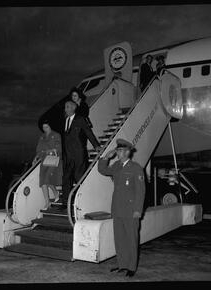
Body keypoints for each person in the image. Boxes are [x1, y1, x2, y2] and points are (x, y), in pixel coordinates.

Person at [98, 139, 146, 277]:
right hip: (117, 208)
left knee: (131, 239)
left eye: (119, 150)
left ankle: (131, 267)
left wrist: (138, 210)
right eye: (117, 150)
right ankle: (122, 264)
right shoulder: (117, 166)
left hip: (131, 210)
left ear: (127, 152)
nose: (117, 153)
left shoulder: (136, 168)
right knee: (119, 239)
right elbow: (103, 170)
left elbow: (141, 191)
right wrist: (105, 157)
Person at [61, 100, 101, 209]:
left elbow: (88, 132)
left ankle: (82, 202)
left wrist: (96, 145)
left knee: (79, 177)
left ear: (74, 108)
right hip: (68, 155)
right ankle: (66, 203)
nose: (66, 109)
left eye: (68, 106)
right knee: (66, 179)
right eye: (65, 107)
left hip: (79, 154)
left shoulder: (80, 119)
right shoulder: (65, 120)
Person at [33, 120, 62, 210]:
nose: (45, 129)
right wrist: (36, 157)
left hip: (53, 159)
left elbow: (59, 147)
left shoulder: (56, 135)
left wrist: (53, 150)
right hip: (44, 160)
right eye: (43, 128)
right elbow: (39, 149)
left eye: (46, 127)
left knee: (47, 179)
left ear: (50, 126)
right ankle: (47, 202)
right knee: (42, 181)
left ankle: (55, 193)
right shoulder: (42, 137)